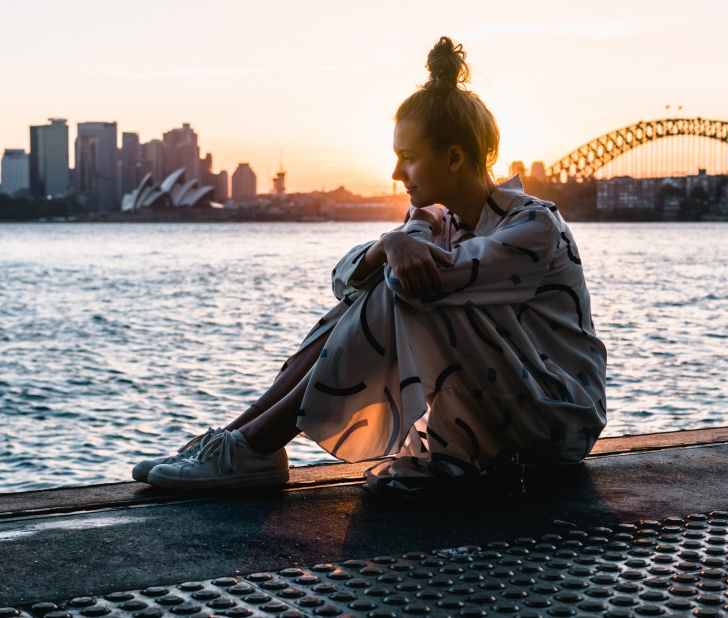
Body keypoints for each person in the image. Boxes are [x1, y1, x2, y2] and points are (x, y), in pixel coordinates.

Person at [133, 36, 607, 494]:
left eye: (408, 158)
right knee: (375, 288)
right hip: (496, 416)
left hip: (554, 422)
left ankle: (253, 447)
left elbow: (427, 280)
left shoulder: (533, 225)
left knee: (399, 289)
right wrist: (392, 241)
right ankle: (237, 440)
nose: (396, 174)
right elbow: (343, 281)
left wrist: (399, 246)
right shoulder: (437, 225)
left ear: (456, 157)